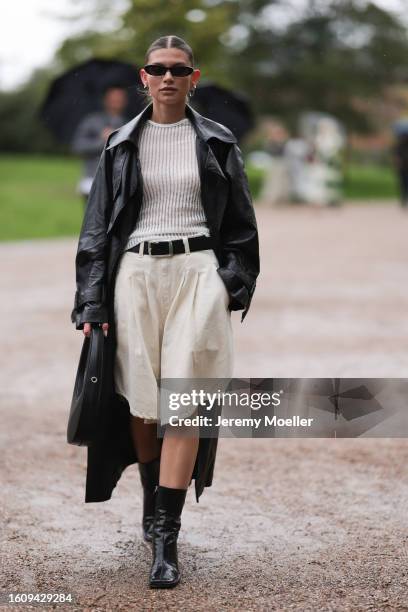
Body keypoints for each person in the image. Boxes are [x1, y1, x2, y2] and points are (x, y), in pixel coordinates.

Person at [71, 35, 259, 589]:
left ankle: (166, 538)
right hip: (136, 277)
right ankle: (154, 507)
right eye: (158, 68)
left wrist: (231, 284)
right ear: (144, 77)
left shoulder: (218, 141)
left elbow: (242, 226)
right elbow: (97, 228)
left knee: (187, 400)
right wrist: (92, 298)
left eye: (179, 69)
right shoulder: (119, 144)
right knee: (145, 404)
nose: (168, 77)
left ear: (193, 78)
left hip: (198, 272)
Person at [71, 85, 129, 207]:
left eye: (120, 98)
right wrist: (104, 141)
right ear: (106, 100)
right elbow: (78, 146)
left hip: (122, 182)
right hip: (93, 180)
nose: (117, 101)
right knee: (95, 224)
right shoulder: (91, 121)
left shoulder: (130, 123)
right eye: (113, 98)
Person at [392, 133, 408, 208]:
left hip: (403, 168)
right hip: (403, 168)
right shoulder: (398, 147)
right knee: (403, 184)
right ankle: (403, 198)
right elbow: (396, 158)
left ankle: (404, 198)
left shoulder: (398, 146)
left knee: (403, 184)